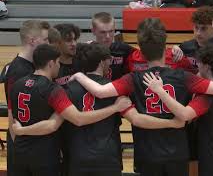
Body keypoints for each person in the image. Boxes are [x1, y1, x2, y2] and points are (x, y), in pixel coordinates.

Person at [70, 18, 213, 176]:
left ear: (141, 51)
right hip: (177, 151)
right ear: (165, 46)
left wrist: (79, 76)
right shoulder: (184, 77)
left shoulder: (132, 79)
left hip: (147, 153)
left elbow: (100, 91)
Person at [9, 44, 132, 176]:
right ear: (51, 63)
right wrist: (114, 108)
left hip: (25, 153)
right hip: (51, 155)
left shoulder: (17, 85)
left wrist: (21, 131)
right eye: (57, 62)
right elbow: (70, 120)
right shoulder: (54, 90)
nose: (59, 66)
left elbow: (12, 121)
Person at [143, 38, 213, 176]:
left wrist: (160, 91)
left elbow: (184, 115)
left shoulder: (206, 97)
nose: (198, 67)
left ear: (207, 67)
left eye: (200, 64)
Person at [3, 20, 50, 176]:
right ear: (32, 41)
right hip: (23, 145)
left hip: (34, 142)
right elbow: (11, 112)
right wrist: (17, 147)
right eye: (45, 40)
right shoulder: (18, 70)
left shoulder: (31, 66)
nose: (48, 44)